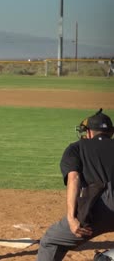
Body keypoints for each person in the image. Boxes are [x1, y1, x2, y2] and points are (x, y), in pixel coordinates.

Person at [37, 108, 114, 261]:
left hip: (97, 209)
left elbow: (74, 178)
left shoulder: (76, 148)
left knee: (51, 241)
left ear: (89, 132)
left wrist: (72, 218)